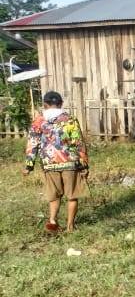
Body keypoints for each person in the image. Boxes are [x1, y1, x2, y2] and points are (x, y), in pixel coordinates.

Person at [23, 91, 89, 232]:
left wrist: (29, 165)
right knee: (72, 196)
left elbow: (32, 143)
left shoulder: (38, 121)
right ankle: (70, 227)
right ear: (61, 104)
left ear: (45, 105)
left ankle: (53, 220)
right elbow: (79, 142)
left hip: (49, 163)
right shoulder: (70, 119)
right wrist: (84, 163)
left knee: (54, 196)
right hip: (70, 163)